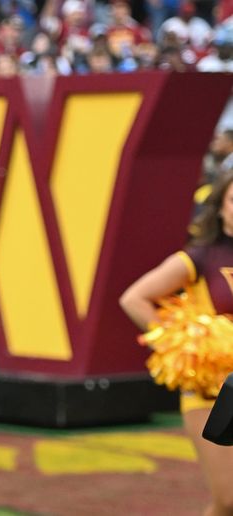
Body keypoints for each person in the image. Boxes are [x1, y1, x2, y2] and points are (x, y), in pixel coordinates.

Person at [120, 169, 233, 516]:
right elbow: (134, 298)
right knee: (229, 500)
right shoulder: (200, 256)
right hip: (211, 397)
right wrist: (184, 347)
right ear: (220, 206)